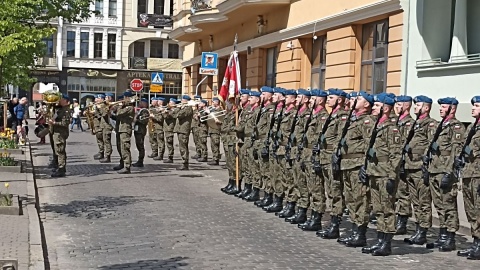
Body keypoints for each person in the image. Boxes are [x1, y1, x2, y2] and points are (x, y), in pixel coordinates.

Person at [359, 93, 402, 256]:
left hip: (385, 173)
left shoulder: (392, 128)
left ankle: (387, 243)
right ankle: (379, 239)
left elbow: (396, 154)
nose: (373, 108)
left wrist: (392, 176)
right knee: (378, 209)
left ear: (385, 108)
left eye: (376, 106)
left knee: (387, 208)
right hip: (374, 171)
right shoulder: (377, 125)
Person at [424, 97, 464, 252]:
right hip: (435, 169)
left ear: (452, 109)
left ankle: (450, 237)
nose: (440, 109)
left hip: (445, 171)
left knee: (449, 205)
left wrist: (449, 172)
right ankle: (442, 235)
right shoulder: (441, 125)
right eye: (440, 107)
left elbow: (456, 152)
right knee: (439, 205)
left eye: (444, 107)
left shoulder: (456, 126)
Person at [336, 91, 374, 248]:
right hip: (347, 164)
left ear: (366, 104)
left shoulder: (367, 121)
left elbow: (369, 145)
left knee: (360, 200)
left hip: (357, 164)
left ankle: (360, 233)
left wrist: (365, 165)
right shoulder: (354, 119)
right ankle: (354, 230)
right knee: (351, 199)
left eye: (359, 99)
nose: (354, 101)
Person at [402, 95, 436, 246]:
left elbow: (431, 147)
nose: (415, 107)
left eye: (418, 105)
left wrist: (427, 167)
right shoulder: (416, 124)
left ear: (426, 108)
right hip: (410, 166)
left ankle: (423, 230)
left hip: (420, 168)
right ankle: (418, 228)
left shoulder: (430, 124)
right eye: (415, 105)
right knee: (415, 201)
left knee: (423, 201)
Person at [317, 89, 349, 239]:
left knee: (335, 192)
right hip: (325, 156)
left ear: (340, 100)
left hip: (332, 157)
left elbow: (340, 138)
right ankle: (332, 223)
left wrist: (336, 155)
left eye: (331, 97)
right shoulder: (333, 114)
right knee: (330, 191)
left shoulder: (342, 116)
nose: (328, 100)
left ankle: (335, 225)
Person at [298, 89, 329, 232]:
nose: (310, 100)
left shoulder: (323, 117)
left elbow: (320, 139)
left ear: (320, 100)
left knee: (316, 188)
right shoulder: (313, 114)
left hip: (314, 155)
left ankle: (317, 218)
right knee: (309, 185)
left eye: (313, 98)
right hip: (307, 153)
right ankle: (311, 215)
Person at [455, 96, 480, 260]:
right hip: (468, 173)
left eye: (477, 105)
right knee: (471, 210)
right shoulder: (472, 127)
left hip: (478, 174)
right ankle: (476, 242)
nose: (473, 108)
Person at [393, 95, 414, 235]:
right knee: (395, 192)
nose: (396, 107)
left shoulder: (410, 123)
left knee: (403, 193)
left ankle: (402, 221)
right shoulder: (395, 122)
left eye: (399, 104)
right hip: (394, 163)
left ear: (406, 106)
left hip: (405, 163)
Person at [113, 91, 135, 174]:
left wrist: (120, 106)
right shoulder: (125, 107)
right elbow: (117, 117)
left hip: (125, 130)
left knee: (125, 148)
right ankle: (122, 163)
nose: (123, 100)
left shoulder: (129, 108)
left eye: (125, 98)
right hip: (120, 129)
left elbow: (119, 113)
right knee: (120, 148)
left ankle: (127, 166)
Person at [50, 94, 71, 178]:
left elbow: (65, 123)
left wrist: (55, 123)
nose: (59, 101)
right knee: (57, 150)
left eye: (61, 99)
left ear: (65, 101)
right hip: (56, 132)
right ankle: (59, 166)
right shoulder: (60, 109)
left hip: (60, 133)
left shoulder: (66, 110)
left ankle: (61, 169)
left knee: (60, 150)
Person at [174, 95, 194, 170]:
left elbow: (178, 115)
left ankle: (185, 163)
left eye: (183, 100)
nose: (181, 101)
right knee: (181, 146)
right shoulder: (185, 108)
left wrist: (179, 108)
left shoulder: (188, 108)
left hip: (184, 130)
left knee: (183, 147)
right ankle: (184, 162)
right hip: (180, 129)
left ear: (186, 101)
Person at [132, 98, 150, 167]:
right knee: (138, 145)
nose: (140, 103)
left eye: (141, 102)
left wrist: (136, 119)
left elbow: (144, 121)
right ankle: (139, 160)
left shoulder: (145, 111)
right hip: (138, 129)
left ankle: (140, 161)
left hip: (141, 130)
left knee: (140, 146)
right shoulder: (141, 110)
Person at [207, 97, 223, 165]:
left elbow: (217, 119)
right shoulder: (214, 109)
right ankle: (214, 158)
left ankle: (216, 159)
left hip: (216, 130)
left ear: (217, 102)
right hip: (211, 129)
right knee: (213, 145)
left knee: (215, 144)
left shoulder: (219, 110)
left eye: (213, 102)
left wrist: (209, 112)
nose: (212, 103)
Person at [99, 93, 115, 163]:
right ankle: (106, 155)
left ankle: (108, 156)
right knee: (105, 141)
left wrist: (104, 107)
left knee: (107, 141)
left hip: (107, 126)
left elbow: (105, 114)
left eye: (106, 97)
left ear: (110, 98)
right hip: (104, 125)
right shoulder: (105, 105)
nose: (105, 99)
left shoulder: (112, 106)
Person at [163, 98, 178, 163]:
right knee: (168, 143)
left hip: (170, 127)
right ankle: (169, 156)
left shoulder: (175, 110)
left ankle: (170, 157)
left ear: (173, 103)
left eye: (170, 102)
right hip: (167, 127)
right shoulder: (169, 109)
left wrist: (166, 113)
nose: (169, 103)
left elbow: (168, 117)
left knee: (169, 142)